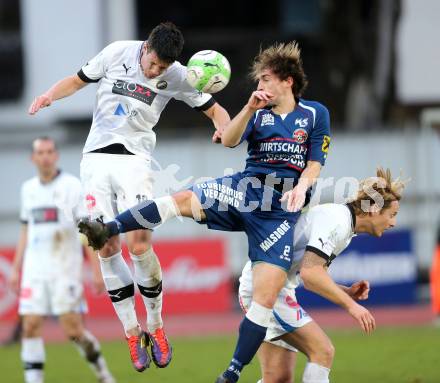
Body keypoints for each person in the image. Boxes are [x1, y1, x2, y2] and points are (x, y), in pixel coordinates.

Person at [77, 41, 331, 383]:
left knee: (266, 298)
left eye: (266, 80)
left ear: (287, 80)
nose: (260, 87)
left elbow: (315, 162)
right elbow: (228, 140)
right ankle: (108, 228)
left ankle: (232, 372)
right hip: (244, 192)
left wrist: (302, 186)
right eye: (258, 82)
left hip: (279, 215)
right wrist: (248, 108)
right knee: (181, 199)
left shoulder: (315, 114)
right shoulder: (258, 111)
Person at [28, 22, 230, 371]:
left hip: (136, 162)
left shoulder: (180, 75)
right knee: (105, 245)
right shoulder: (116, 52)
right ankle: (132, 331)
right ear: (147, 46)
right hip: (95, 160)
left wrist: (222, 127)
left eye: (162, 69)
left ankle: (155, 325)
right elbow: (77, 80)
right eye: (153, 64)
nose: (155, 72)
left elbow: (216, 110)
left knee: (139, 242)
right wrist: (49, 95)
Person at [239, 168, 405, 383]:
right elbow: (310, 275)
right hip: (265, 288)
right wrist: (351, 306)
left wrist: (345, 291)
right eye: (392, 215)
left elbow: (313, 270)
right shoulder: (337, 220)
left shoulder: (344, 226)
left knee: (277, 377)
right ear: (373, 209)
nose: (393, 223)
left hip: (268, 284)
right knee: (322, 351)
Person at [8, 137, 115, 383]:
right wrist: (16, 269)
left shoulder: (72, 186)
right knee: (30, 326)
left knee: (73, 331)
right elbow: (26, 231)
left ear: (55, 156)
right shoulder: (28, 189)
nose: (45, 156)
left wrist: (97, 270)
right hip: (35, 271)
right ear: (32, 158)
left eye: (49, 152)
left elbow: (87, 231)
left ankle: (102, 371)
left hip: (65, 269)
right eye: (40, 153)